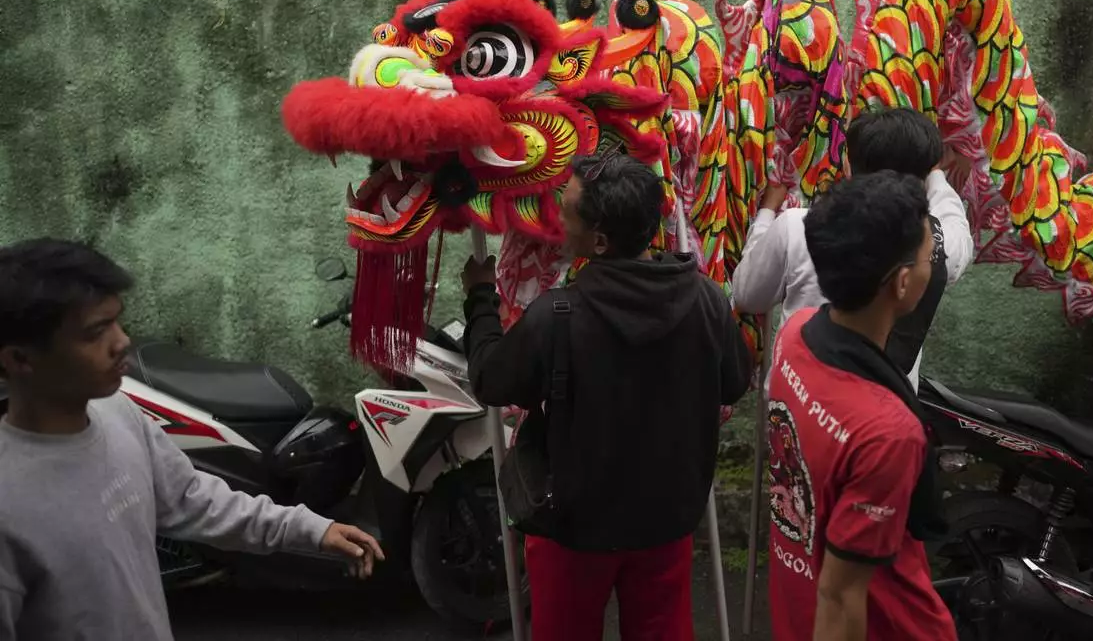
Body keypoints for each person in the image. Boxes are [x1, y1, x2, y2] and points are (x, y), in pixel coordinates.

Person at [0, 239, 384, 641]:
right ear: (19, 359)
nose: (121, 342)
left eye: (117, 321)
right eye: (96, 332)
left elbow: (194, 499)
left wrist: (311, 530)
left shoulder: (120, 413)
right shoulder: (11, 508)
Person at [461, 151, 752, 641]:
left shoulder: (558, 316)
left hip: (577, 528)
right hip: (667, 518)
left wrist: (481, 300)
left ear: (597, 240)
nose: (557, 215)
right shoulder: (705, 299)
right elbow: (734, 382)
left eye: (567, 208)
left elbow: (492, 379)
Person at [765, 172, 956, 640]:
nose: (934, 265)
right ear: (904, 282)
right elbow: (841, 594)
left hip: (797, 605)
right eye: (930, 255)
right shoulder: (887, 434)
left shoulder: (796, 336)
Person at [731, 109, 973, 389]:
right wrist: (933, 173)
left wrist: (766, 214)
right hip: (884, 409)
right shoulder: (931, 243)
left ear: (848, 165)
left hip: (795, 406)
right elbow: (956, 228)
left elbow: (746, 294)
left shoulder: (799, 227)